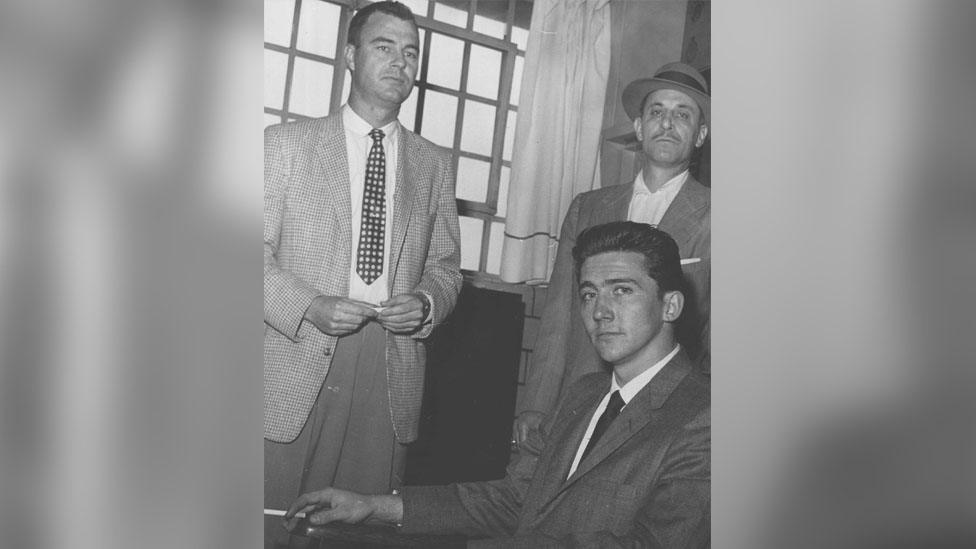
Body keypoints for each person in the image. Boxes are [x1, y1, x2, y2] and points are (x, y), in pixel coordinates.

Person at [285, 222, 710, 548]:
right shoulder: (585, 395)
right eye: (588, 293)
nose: (600, 311)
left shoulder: (704, 418)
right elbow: (514, 501)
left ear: (670, 304)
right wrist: (373, 506)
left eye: (622, 291)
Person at [264, 0, 461, 516]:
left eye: (411, 53)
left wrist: (424, 303)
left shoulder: (434, 165)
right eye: (384, 46)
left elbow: (445, 268)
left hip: (389, 369)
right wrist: (309, 306)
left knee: (357, 529)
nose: (401, 62)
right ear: (350, 56)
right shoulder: (284, 145)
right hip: (294, 353)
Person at [514, 62, 711, 445]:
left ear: (701, 134)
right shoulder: (588, 208)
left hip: (663, 417)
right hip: (577, 405)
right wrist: (535, 403)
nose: (667, 123)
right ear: (639, 128)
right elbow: (559, 316)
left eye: (682, 114)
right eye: (656, 112)